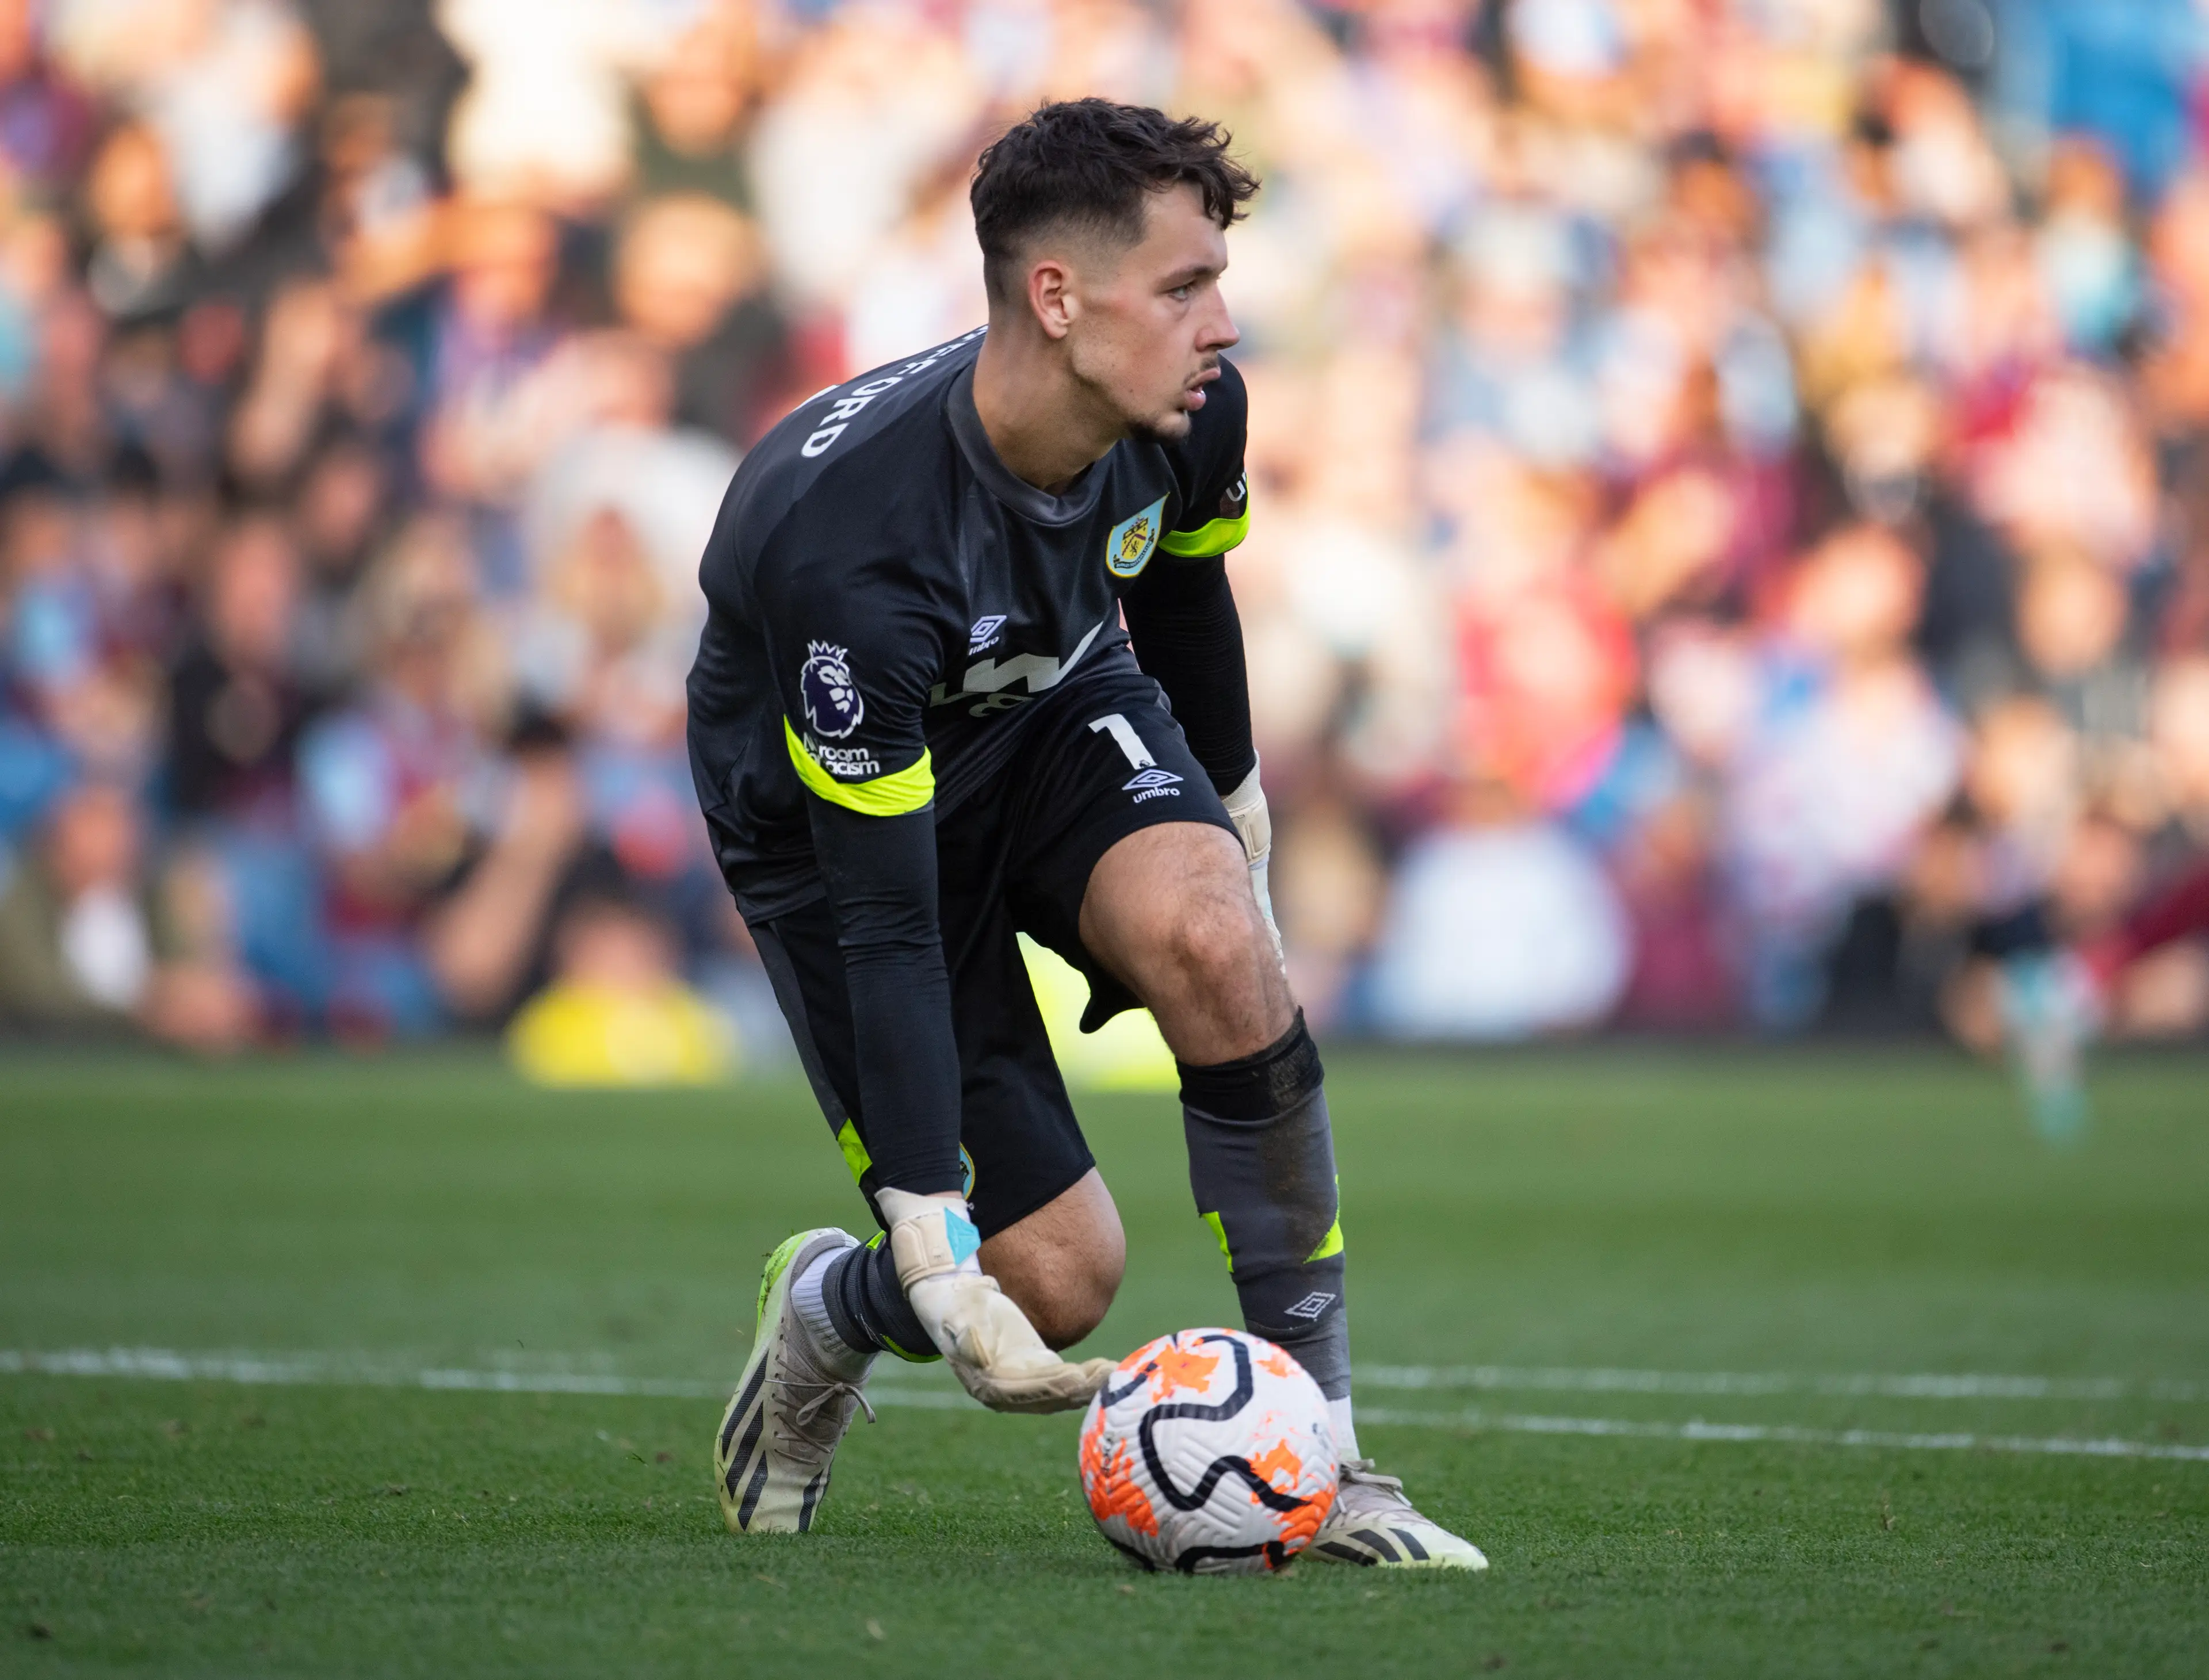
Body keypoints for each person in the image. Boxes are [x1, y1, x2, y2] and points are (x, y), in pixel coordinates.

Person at [685, 100, 1485, 1568]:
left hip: (1047, 705)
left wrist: (1232, 827)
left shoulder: (1188, 411)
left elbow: (1184, 604)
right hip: (834, 831)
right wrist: (928, 1243)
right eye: (1186, 288)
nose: (1224, 324)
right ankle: (828, 1312)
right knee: (1055, 1281)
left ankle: (1340, 1457)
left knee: (1211, 933)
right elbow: (891, 923)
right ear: (1056, 298)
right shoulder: (849, 547)